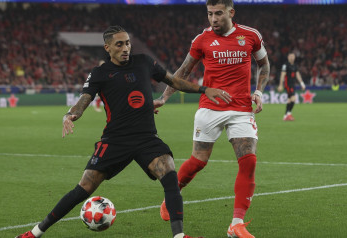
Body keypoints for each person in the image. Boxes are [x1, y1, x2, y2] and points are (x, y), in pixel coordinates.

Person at [16, 25, 231, 238]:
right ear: (107, 48)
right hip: (115, 140)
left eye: (127, 43)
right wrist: (70, 114)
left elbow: (173, 81)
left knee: (169, 175)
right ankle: (35, 233)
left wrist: (204, 89)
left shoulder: (145, 62)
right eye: (119, 44)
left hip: (146, 138)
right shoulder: (100, 73)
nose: (125, 48)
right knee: (83, 188)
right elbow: (85, 99)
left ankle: (179, 236)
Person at [154, 0, 270, 237]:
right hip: (209, 108)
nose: (214, 18)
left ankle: (236, 223)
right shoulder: (201, 40)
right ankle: (170, 199)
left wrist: (258, 91)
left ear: (231, 12)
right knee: (198, 162)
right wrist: (164, 98)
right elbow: (182, 72)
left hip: (241, 109)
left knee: (249, 162)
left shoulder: (250, 35)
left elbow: (264, 64)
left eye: (218, 13)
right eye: (210, 14)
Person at [277, 52, 306, 121]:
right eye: (290, 56)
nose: (292, 57)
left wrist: (302, 83)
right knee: (293, 98)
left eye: (293, 56)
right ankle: (289, 113)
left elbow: (297, 74)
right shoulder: (285, 65)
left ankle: (286, 116)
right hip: (288, 85)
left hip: (293, 85)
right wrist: (281, 85)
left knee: (290, 100)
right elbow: (282, 75)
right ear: (288, 57)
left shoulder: (295, 65)